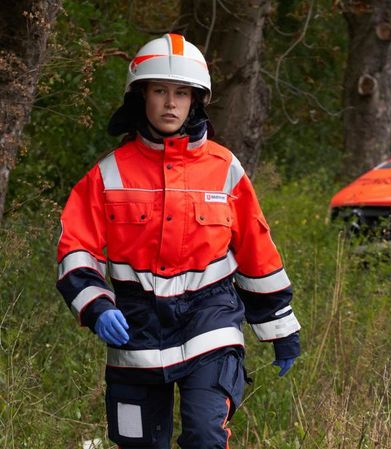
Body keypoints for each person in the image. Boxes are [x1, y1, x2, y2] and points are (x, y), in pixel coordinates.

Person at [55, 34, 301, 448]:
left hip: (210, 320)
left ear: (196, 101)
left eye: (182, 93)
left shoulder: (225, 169)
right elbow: (76, 247)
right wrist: (96, 306)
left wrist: (280, 327)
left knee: (206, 435)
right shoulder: (108, 174)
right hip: (135, 329)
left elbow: (257, 250)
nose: (171, 103)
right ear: (141, 97)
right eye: (160, 91)